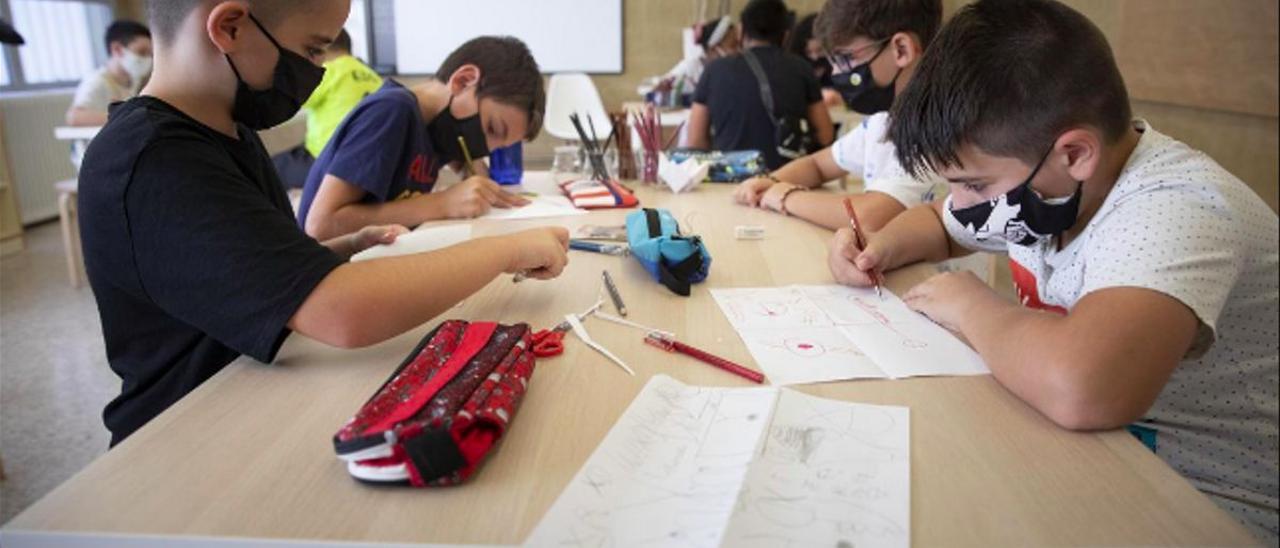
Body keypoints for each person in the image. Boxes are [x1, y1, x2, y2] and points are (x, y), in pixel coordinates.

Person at [828, 0, 1278, 540]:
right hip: (1090, 457)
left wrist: (972, 305)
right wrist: (876, 248)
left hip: (1208, 503)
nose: (963, 200)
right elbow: (940, 223)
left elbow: (1085, 387)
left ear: (1075, 153)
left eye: (974, 184)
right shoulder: (1050, 184)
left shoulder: (1178, 207)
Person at [78, 0, 569, 446]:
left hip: (253, 394)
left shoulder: (231, 136)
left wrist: (338, 250)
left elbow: (256, 273)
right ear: (229, 26)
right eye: (312, 52)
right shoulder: (154, 159)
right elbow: (340, 312)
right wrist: (511, 248)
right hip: (181, 436)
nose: (315, 73)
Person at [296, 36, 542, 240]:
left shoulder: (439, 130)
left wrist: (477, 178)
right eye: (492, 129)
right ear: (463, 80)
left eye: (501, 145)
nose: (488, 148)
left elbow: (473, 172)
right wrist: (442, 203)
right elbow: (321, 225)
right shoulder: (392, 111)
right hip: (326, 276)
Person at [734, 0, 941, 232]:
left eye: (845, 58)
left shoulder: (937, 128)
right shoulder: (883, 121)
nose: (837, 73)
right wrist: (770, 182)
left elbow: (869, 218)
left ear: (901, 49)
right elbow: (817, 165)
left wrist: (785, 196)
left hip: (925, 268)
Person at [688, 0, 834, 171]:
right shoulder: (801, 68)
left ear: (741, 30)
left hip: (731, 179)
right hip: (787, 178)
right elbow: (825, 134)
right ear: (786, 34)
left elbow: (696, 140)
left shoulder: (714, 70)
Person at [270, 28, 382, 189]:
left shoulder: (328, 71)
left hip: (329, 160)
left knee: (270, 169)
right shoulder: (373, 75)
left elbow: (291, 100)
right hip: (366, 159)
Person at [66, 20, 153, 127]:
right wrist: (125, 118)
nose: (148, 59)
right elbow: (74, 117)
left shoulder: (135, 80)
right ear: (117, 49)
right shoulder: (97, 81)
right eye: (141, 52)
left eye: (150, 54)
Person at [658, 15, 740, 103]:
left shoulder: (733, 71)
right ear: (713, 49)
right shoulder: (690, 67)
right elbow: (657, 91)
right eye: (733, 46)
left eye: (740, 45)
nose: (739, 51)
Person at [787, 13, 841, 108]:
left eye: (820, 50)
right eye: (808, 52)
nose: (815, 57)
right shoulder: (795, 64)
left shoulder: (839, 61)